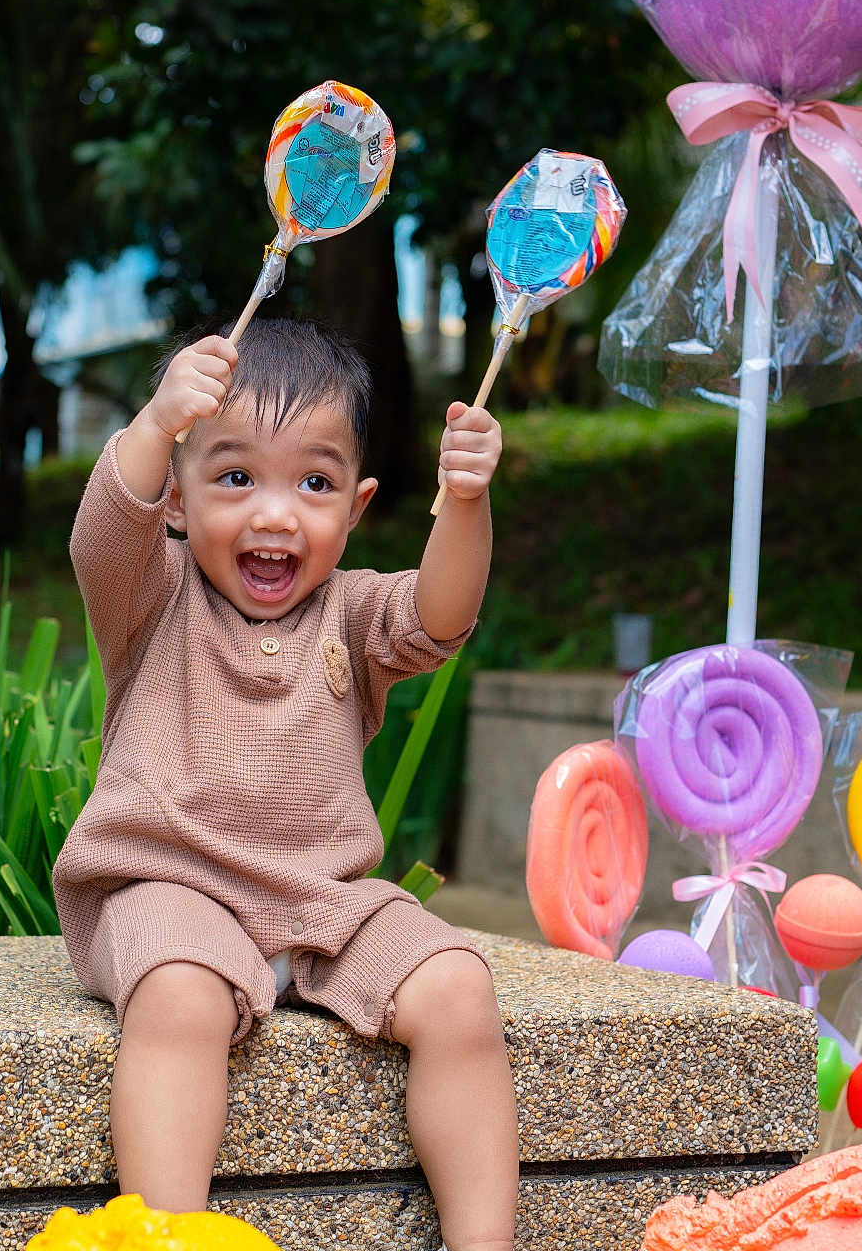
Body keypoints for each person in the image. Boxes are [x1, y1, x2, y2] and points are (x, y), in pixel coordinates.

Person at [54, 317, 518, 1251]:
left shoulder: (353, 613)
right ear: (177, 501)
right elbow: (101, 538)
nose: (275, 514)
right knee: (181, 996)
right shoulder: (154, 593)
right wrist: (154, 425)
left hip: (326, 902)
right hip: (166, 887)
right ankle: (166, 1236)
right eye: (235, 477)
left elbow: (442, 613)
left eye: (314, 483)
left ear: (356, 508)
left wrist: (465, 502)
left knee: (460, 988)